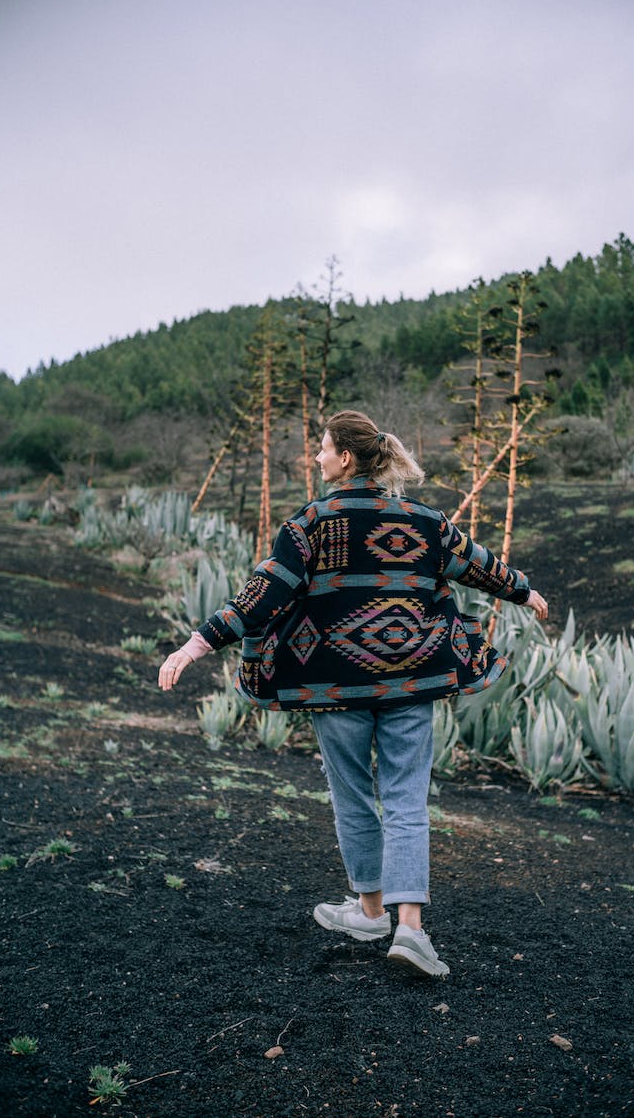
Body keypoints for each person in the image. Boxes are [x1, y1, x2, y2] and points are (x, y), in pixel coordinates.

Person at [158, 410, 548, 978]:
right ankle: (407, 928)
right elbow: (478, 565)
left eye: (322, 449)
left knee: (353, 798)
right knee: (407, 799)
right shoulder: (424, 520)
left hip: (334, 682)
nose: (316, 458)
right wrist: (525, 592)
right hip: (411, 679)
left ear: (345, 458)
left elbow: (262, 596)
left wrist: (194, 646)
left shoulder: (313, 523)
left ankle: (369, 911)